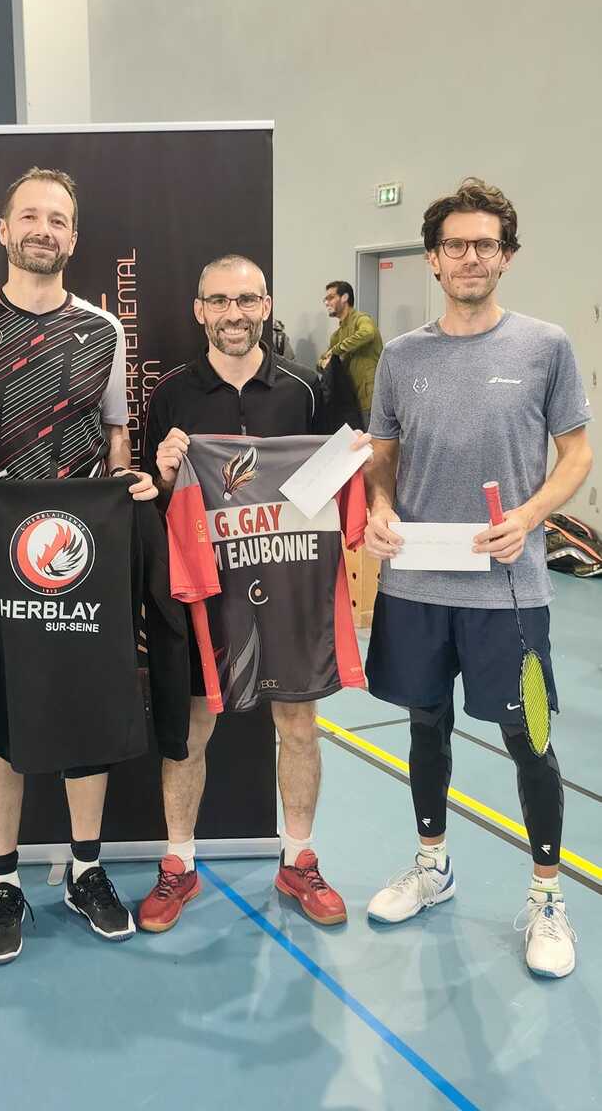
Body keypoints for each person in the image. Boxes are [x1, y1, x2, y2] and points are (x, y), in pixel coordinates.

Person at [0, 166, 158, 963]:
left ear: (73, 237)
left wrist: (122, 488)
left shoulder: (103, 330)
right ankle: (3, 879)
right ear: (4, 230)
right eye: (30, 216)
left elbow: (115, 431)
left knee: (88, 707)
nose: (43, 230)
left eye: (57, 220)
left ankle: (86, 871)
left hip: (83, 549)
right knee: (3, 713)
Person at [363, 177, 592, 978]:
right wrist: (380, 509)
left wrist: (529, 516)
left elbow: (576, 456)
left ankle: (547, 897)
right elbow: (381, 459)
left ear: (507, 256)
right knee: (425, 730)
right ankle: (433, 866)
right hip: (418, 587)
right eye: (455, 245)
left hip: (509, 590)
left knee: (530, 742)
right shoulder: (401, 357)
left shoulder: (545, 346)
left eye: (485, 244)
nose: (470, 257)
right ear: (432, 258)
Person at [138, 253, 368, 933]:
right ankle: (179, 863)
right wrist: (166, 471)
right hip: (205, 588)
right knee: (191, 729)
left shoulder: (308, 388)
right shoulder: (170, 394)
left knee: (298, 724)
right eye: (218, 301)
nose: (232, 314)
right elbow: (153, 499)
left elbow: (343, 471)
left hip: (290, 582)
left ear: (265, 306)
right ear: (198, 311)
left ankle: (298, 859)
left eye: (246, 300)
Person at [318, 281, 383, 422]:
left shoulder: (361, 319)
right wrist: (323, 362)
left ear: (345, 297)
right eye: (325, 299)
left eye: (331, 297)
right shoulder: (337, 335)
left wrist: (337, 349)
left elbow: (368, 332)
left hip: (370, 398)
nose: (327, 303)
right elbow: (323, 360)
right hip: (351, 400)